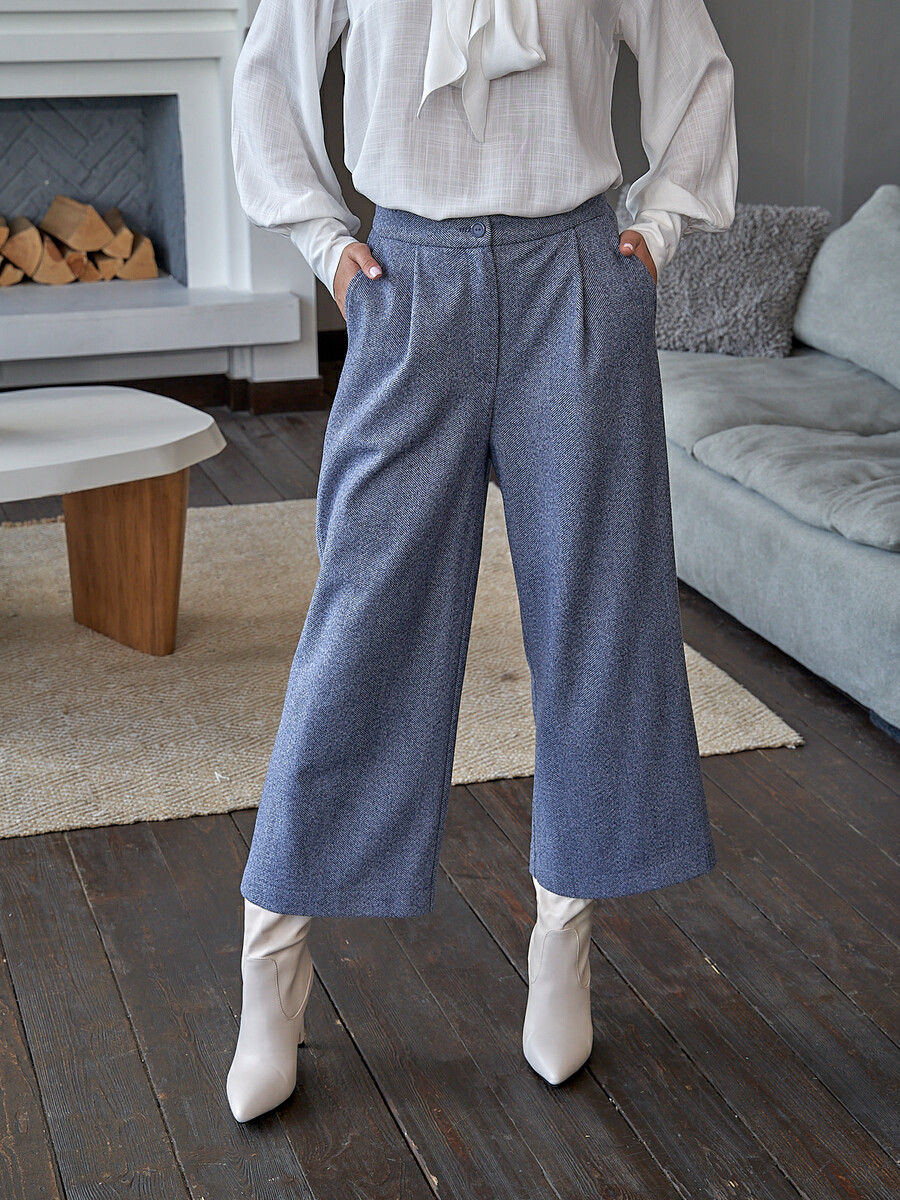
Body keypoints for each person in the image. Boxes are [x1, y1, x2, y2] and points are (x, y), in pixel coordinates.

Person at [226, 0, 738, 1122]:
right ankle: (272, 964)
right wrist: (326, 245)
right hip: (407, 281)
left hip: (579, 277)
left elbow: (696, 69)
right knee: (359, 630)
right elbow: (266, 77)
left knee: (598, 622)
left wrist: (657, 233)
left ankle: (565, 941)